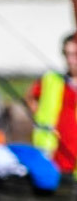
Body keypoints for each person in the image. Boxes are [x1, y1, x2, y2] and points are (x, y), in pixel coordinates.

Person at [25, 31, 77, 175]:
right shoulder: (52, 80)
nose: (70, 60)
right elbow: (30, 97)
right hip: (54, 153)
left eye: (74, 55)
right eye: (67, 54)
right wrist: (41, 118)